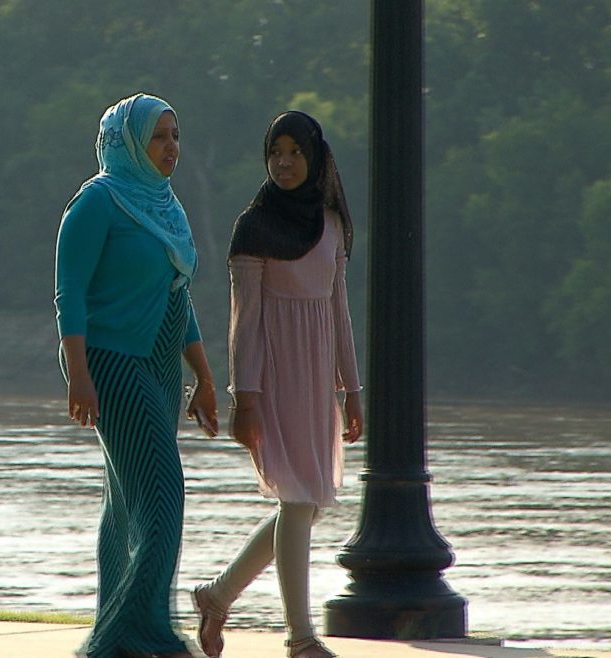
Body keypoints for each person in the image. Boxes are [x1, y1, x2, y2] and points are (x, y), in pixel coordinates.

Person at [192, 111, 363, 658]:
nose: (283, 162)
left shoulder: (332, 224)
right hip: (273, 376)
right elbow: (244, 324)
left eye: (294, 151)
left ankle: (217, 597)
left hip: (318, 381)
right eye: (274, 151)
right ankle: (302, 639)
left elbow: (339, 312)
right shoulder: (254, 227)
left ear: (314, 158)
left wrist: (352, 388)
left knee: (306, 503)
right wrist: (245, 399)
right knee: (296, 500)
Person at [55, 92, 220, 658]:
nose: (170, 147)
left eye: (175, 135)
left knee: (124, 502)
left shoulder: (164, 205)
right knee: (163, 492)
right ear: (129, 143)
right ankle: (136, 633)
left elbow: (180, 294)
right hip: (111, 360)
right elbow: (69, 294)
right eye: (158, 136)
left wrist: (203, 375)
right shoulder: (98, 202)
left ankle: (118, 629)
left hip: (160, 364)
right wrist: (78, 374)